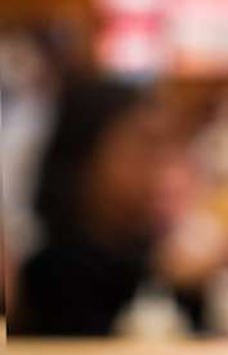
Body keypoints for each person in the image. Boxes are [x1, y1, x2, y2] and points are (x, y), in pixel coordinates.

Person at [12, 78, 183, 336]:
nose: (163, 169)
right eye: (145, 146)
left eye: (165, 148)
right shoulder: (53, 277)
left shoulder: (155, 254)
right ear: (85, 156)